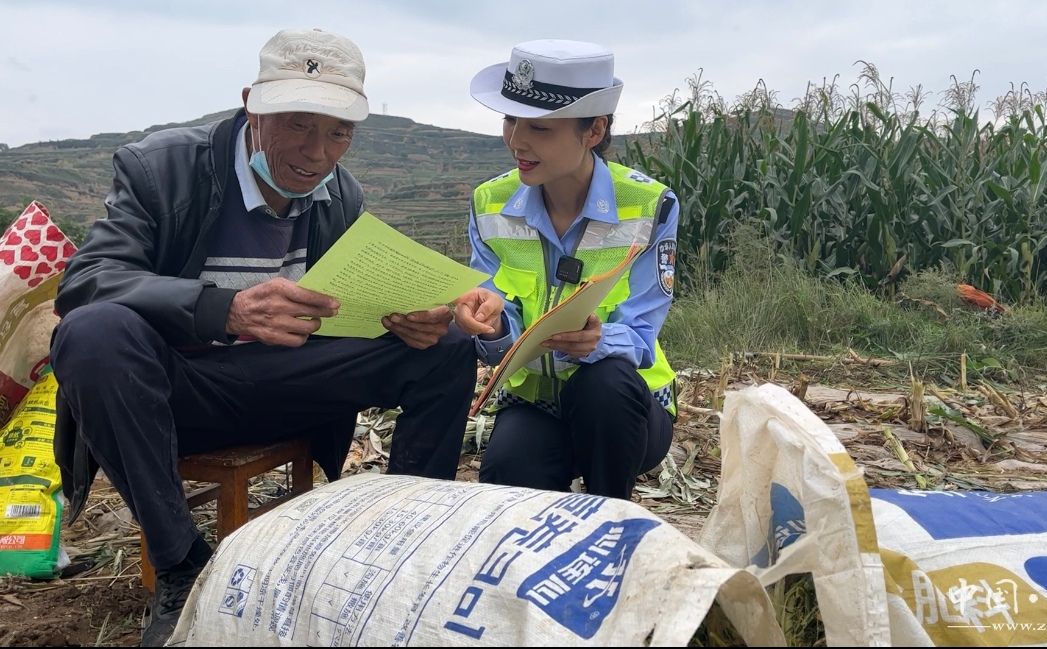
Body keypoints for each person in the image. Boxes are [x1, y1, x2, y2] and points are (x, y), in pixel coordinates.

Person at [49, 28, 501, 646]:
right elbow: (88, 281)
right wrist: (225, 311)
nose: (316, 152)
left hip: (283, 382)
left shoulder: (340, 194)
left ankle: (400, 547)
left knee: (443, 349)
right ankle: (183, 566)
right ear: (252, 107)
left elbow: (345, 306)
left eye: (338, 133)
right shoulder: (161, 168)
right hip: (174, 394)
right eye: (298, 124)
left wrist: (405, 316)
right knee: (92, 331)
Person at [464, 40, 679, 500]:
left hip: (626, 406)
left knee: (604, 387)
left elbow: (642, 334)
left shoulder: (649, 205)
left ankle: (611, 514)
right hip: (536, 402)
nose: (516, 141)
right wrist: (491, 322)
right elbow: (495, 320)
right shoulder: (489, 203)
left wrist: (598, 341)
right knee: (508, 470)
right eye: (510, 120)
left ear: (594, 129)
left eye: (539, 128)